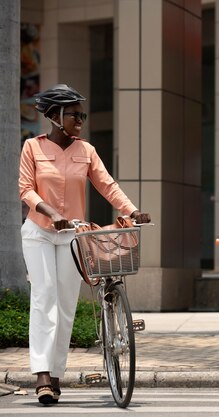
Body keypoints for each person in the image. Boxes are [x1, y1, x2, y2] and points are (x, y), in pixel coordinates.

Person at [18, 84, 151, 405]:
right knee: (44, 297)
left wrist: (131, 210)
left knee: (65, 306)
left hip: (72, 237)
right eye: (74, 114)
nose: (81, 119)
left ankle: (56, 375)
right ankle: (41, 375)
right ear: (54, 116)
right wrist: (50, 212)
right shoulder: (32, 148)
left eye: (82, 114)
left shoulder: (86, 150)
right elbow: (25, 189)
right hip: (38, 232)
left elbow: (107, 184)